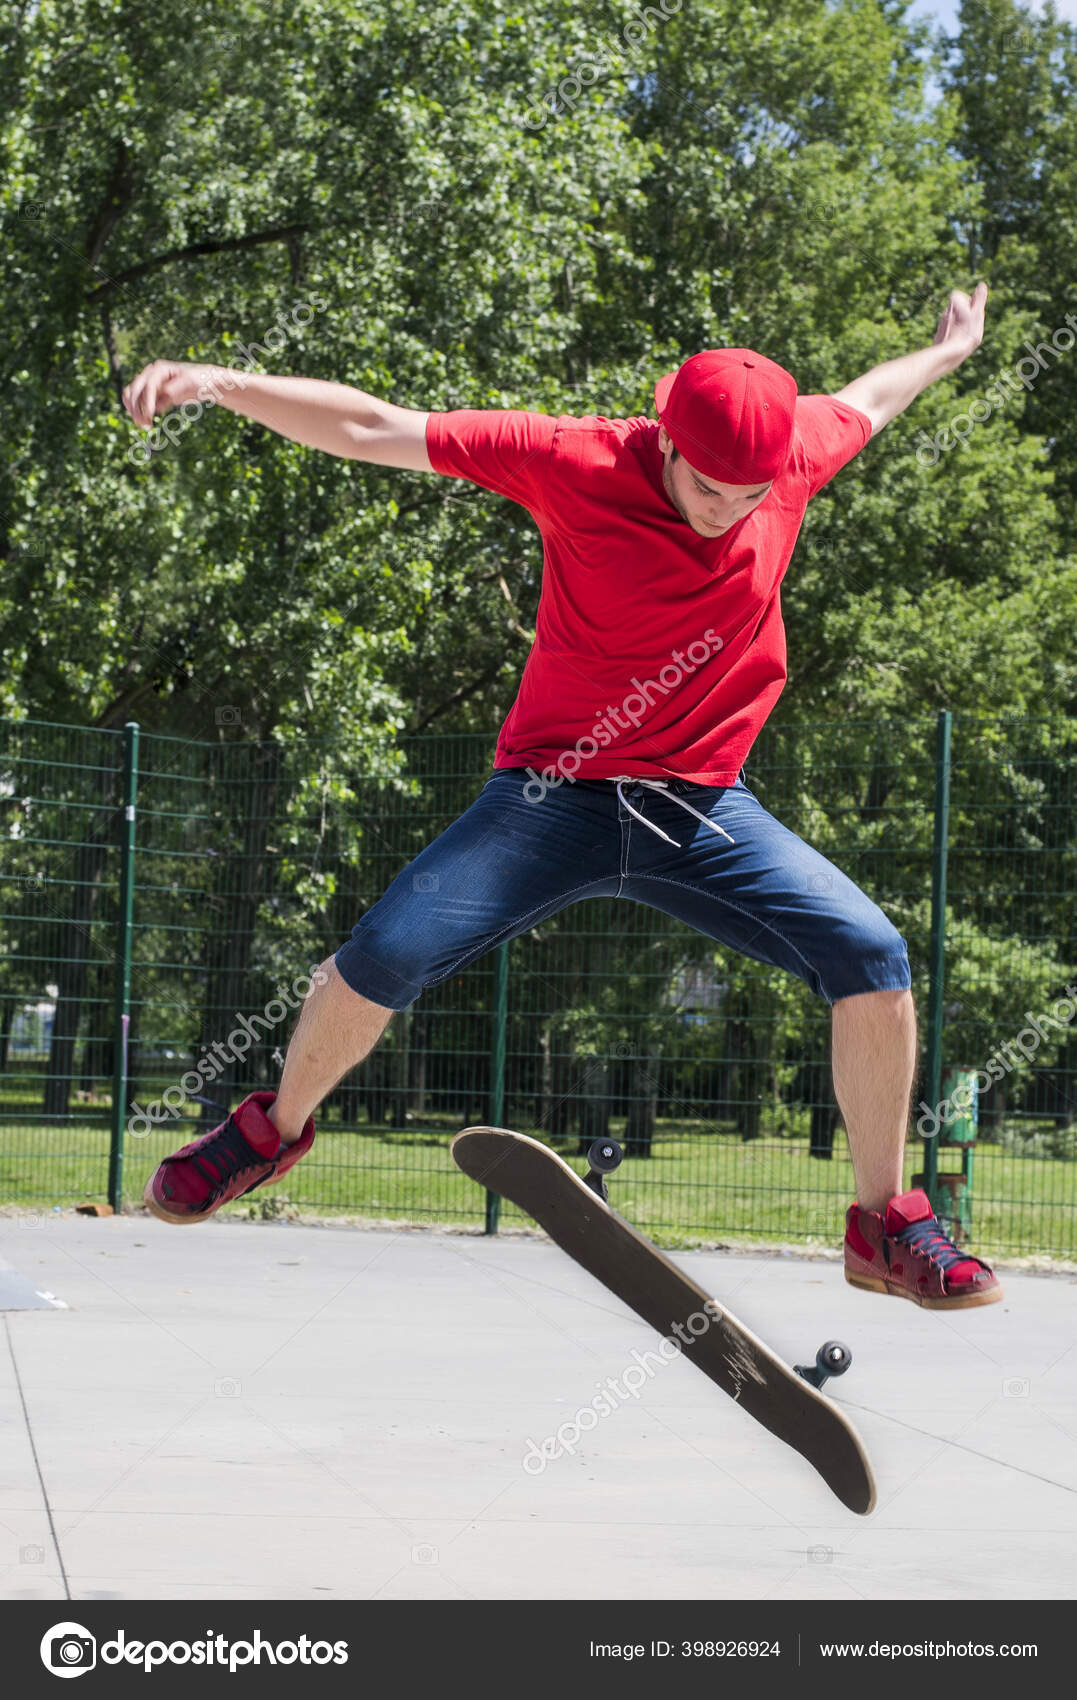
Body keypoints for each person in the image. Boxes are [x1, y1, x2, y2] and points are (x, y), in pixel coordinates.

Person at [122, 283, 1002, 1309]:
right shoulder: (570, 459)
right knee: (384, 954)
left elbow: (872, 396)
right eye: (709, 487)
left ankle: (883, 1226)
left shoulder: (791, 453)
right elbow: (373, 424)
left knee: (875, 954)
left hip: (701, 805)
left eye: (749, 494)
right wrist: (218, 382)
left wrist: (949, 350)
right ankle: (269, 1131)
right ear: (666, 437)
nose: (729, 511)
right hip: (552, 796)